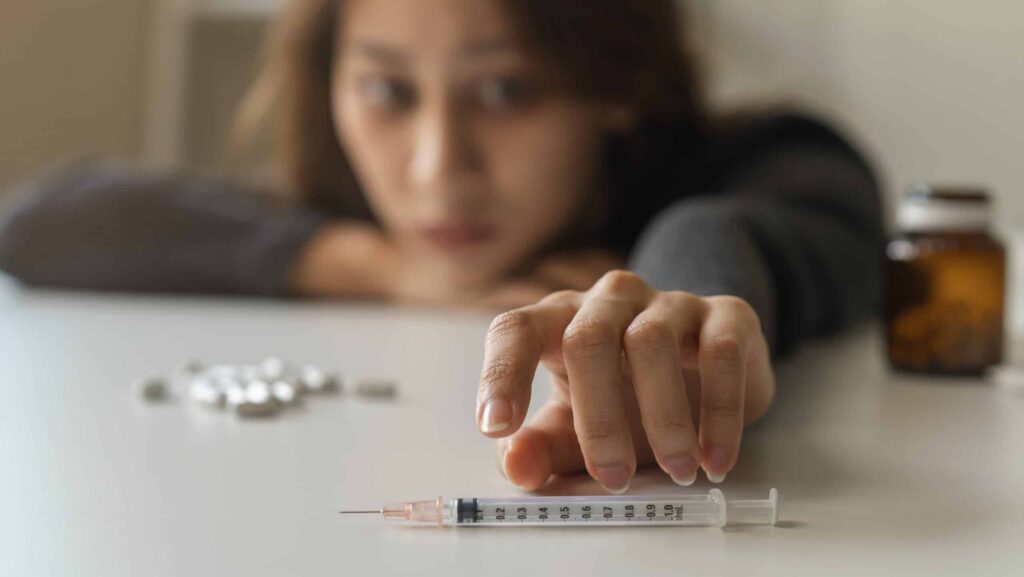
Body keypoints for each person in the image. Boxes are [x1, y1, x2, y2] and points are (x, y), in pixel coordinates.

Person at [0, 0, 884, 494]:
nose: (437, 169)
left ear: (618, 88)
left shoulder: (760, 158)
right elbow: (40, 221)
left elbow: (758, 216)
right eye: (386, 89)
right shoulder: (343, 211)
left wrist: (677, 310)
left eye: (504, 89)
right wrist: (379, 266)